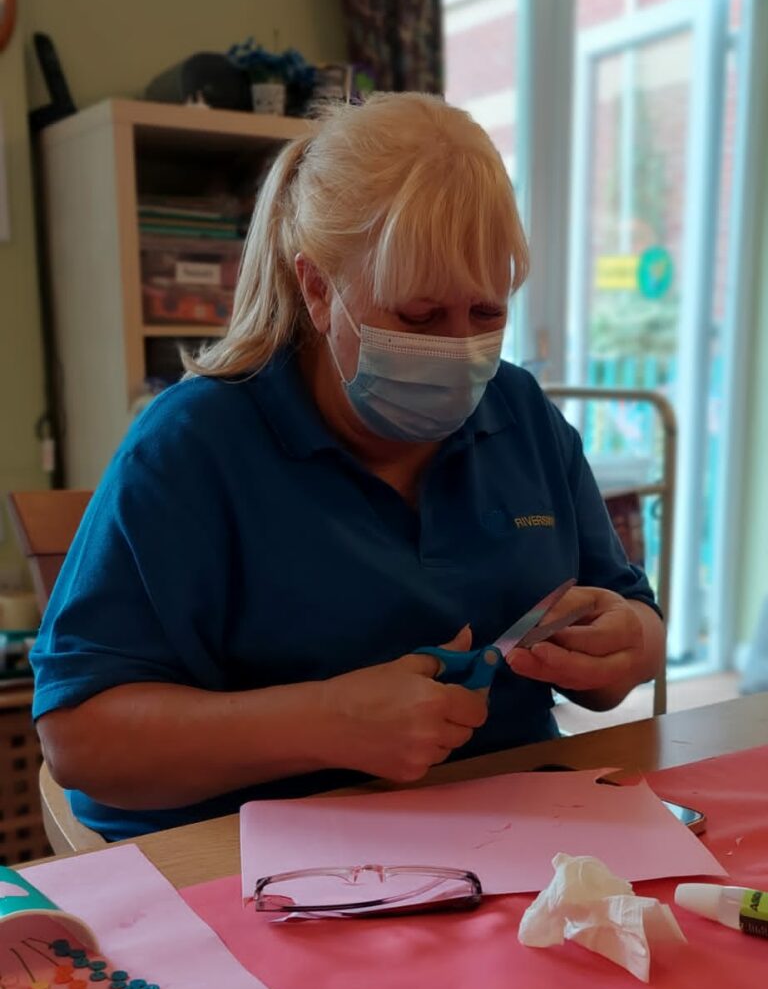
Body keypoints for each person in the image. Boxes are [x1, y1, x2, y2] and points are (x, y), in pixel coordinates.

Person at [33, 93, 664, 840]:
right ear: (317, 289)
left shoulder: (521, 415)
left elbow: (634, 620)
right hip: (265, 858)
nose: (459, 351)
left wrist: (624, 646)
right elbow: (79, 739)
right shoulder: (193, 447)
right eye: (418, 317)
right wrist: (323, 723)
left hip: (514, 834)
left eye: (487, 313)